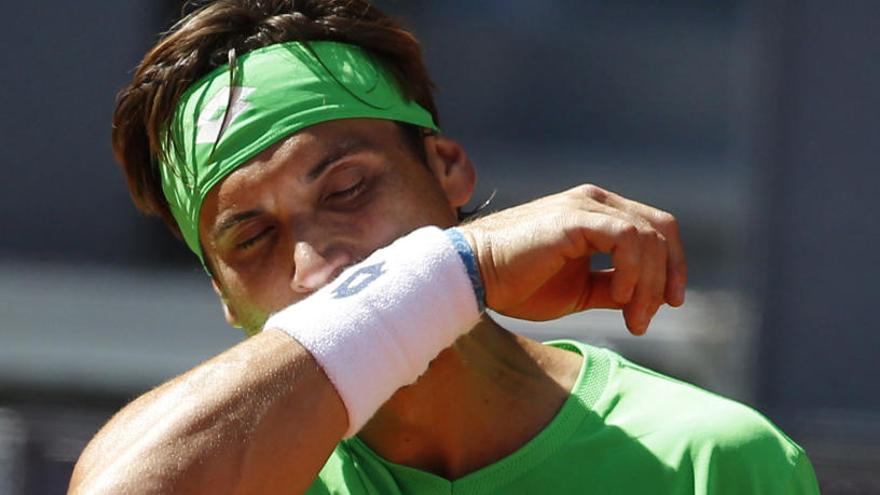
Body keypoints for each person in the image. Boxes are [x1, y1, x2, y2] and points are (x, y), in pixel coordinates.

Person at [70, 1, 820, 493]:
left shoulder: (711, 462)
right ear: (223, 295)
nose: (315, 261)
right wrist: (456, 265)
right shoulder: (243, 470)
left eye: (347, 188)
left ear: (447, 167)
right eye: (254, 237)